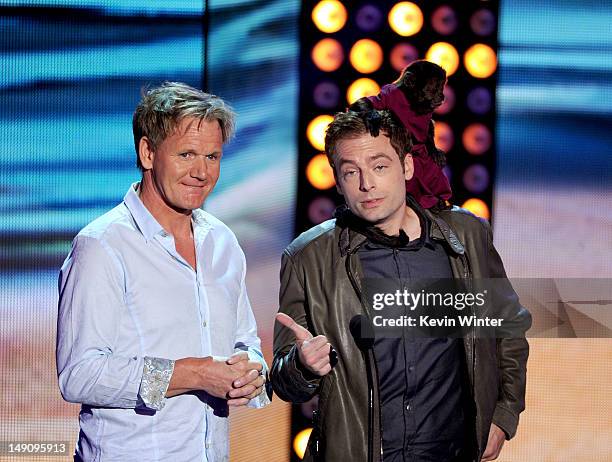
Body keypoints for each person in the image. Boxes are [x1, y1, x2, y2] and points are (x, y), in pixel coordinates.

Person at [271, 107, 531, 461]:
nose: (367, 184)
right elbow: (285, 382)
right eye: (351, 172)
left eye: (379, 167)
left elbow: (508, 330)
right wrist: (302, 366)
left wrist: (502, 416)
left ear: (406, 166)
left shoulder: (465, 237)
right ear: (336, 180)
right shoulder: (307, 259)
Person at [57, 82, 270, 461]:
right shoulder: (103, 247)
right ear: (148, 152)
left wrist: (251, 371)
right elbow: (80, 374)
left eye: (213, 157)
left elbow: (244, 342)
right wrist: (195, 373)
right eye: (187, 154)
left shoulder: (221, 241)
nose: (202, 172)